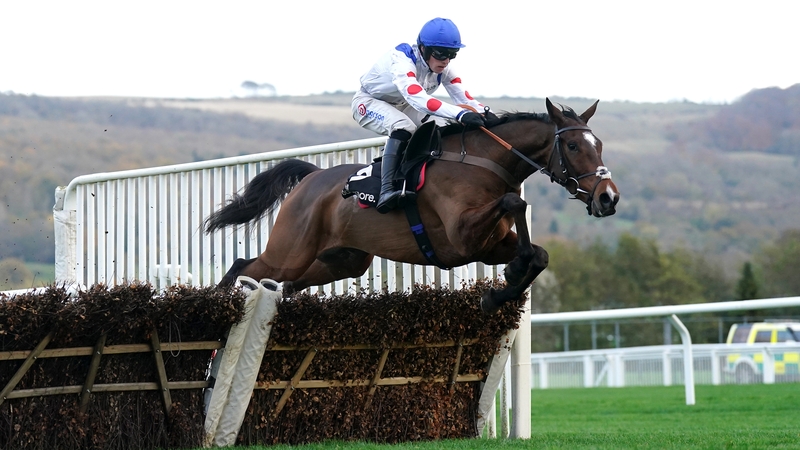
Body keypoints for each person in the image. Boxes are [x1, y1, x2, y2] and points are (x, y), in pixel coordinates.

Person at [352, 17, 488, 213]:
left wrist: (488, 114)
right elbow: (420, 100)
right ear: (423, 49)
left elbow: (465, 98)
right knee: (403, 126)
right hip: (368, 102)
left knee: (441, 125)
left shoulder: (444, 67)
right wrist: (460, 114)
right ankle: (386, 190)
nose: (446, 60)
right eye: (441, 54)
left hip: (402, 104)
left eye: (452, 54)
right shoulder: (401, 59)